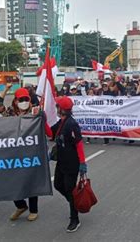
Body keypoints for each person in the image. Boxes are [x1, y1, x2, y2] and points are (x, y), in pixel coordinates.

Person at [52, 96, 87, 233]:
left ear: (62, 109)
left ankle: (75, 219)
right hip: (61, 162)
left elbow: (78, 144)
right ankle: (75, 203)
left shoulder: (71, 124)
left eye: (57, 106)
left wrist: (83, 163)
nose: (56, 108)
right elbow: (49, 132)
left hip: (72, 163)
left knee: (69, 189)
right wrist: (41, 119)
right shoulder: (61, 122)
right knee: (58, 185)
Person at [9, 88, 39, 222]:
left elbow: (49, 133)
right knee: (12, 181)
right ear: (15, 101)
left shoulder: (35, 113)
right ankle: (20, 205)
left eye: (26, 99)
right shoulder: (9, 113)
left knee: (31, 182)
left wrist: (40, 117)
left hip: (30, 153)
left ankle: (34, 210)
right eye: (21, 100)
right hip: (13, 153)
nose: (24, 102)